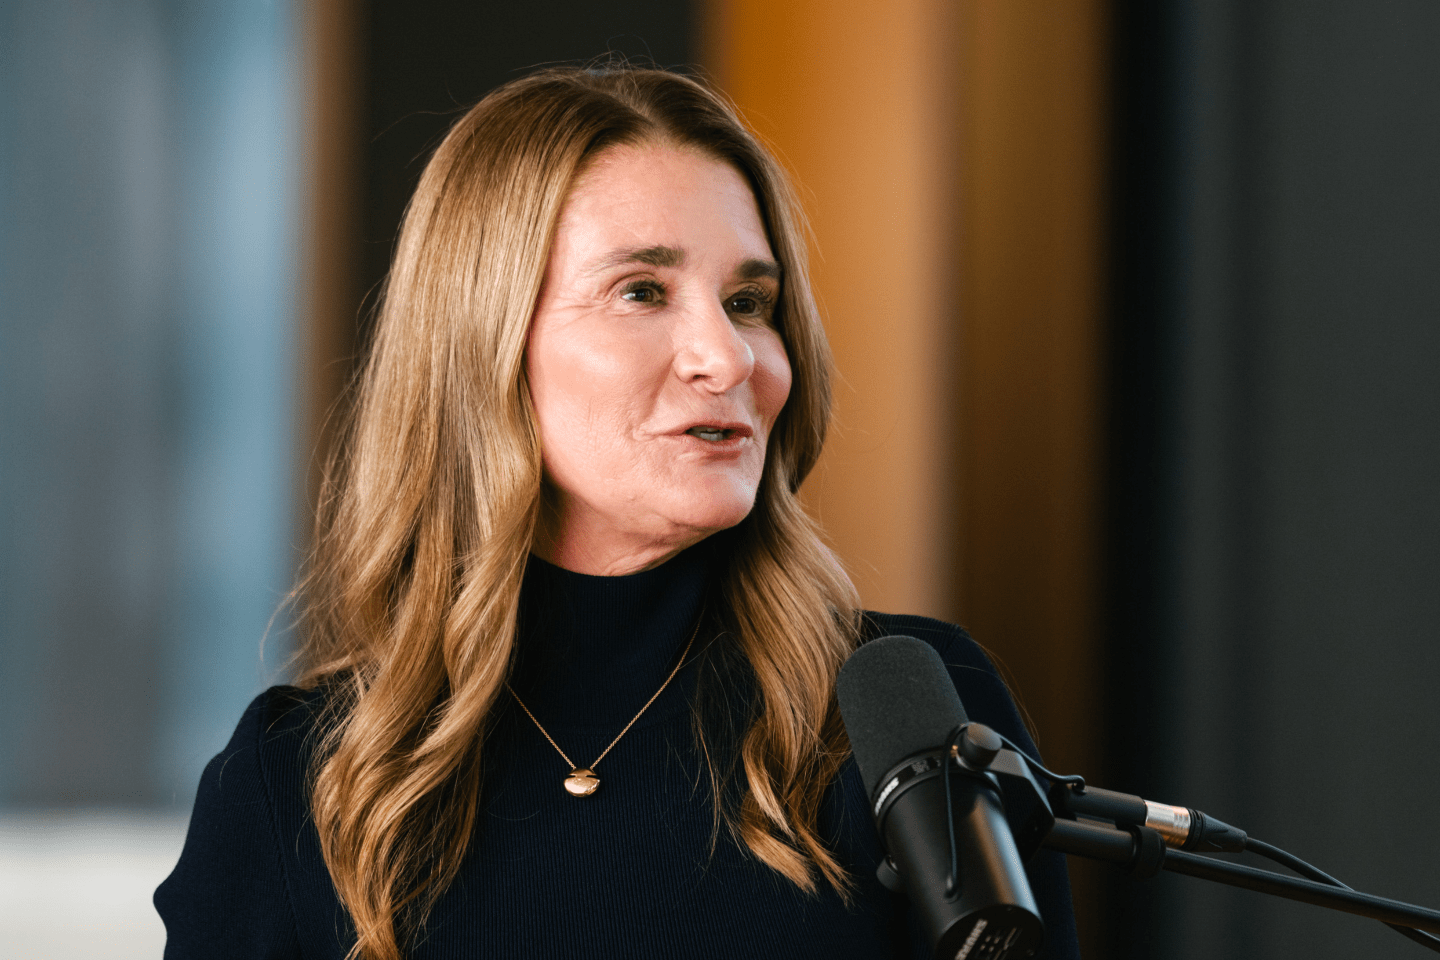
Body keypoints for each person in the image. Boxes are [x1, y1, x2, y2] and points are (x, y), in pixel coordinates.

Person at [154, 64, 1080, 960]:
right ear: (484, 347)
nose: (729, 359)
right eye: (642, 291)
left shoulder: (904, 728)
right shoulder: (299, 785)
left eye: (750, 302)